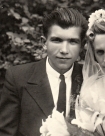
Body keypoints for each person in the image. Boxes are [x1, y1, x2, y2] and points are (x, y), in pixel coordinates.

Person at [0, 7, 88, 136]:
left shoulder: (90, 78)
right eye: (57, 40)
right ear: (44, 42)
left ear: (82, 46)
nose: (64, 50)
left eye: (73, 41)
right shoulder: (18, 77)